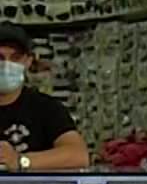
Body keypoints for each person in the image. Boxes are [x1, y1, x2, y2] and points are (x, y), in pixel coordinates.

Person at [0, 23, 88, 173]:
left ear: (28, 61)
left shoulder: (45, 108)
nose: (7, 65)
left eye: (15, 58)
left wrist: (20, 161)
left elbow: (78, 155)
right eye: (0, 57)